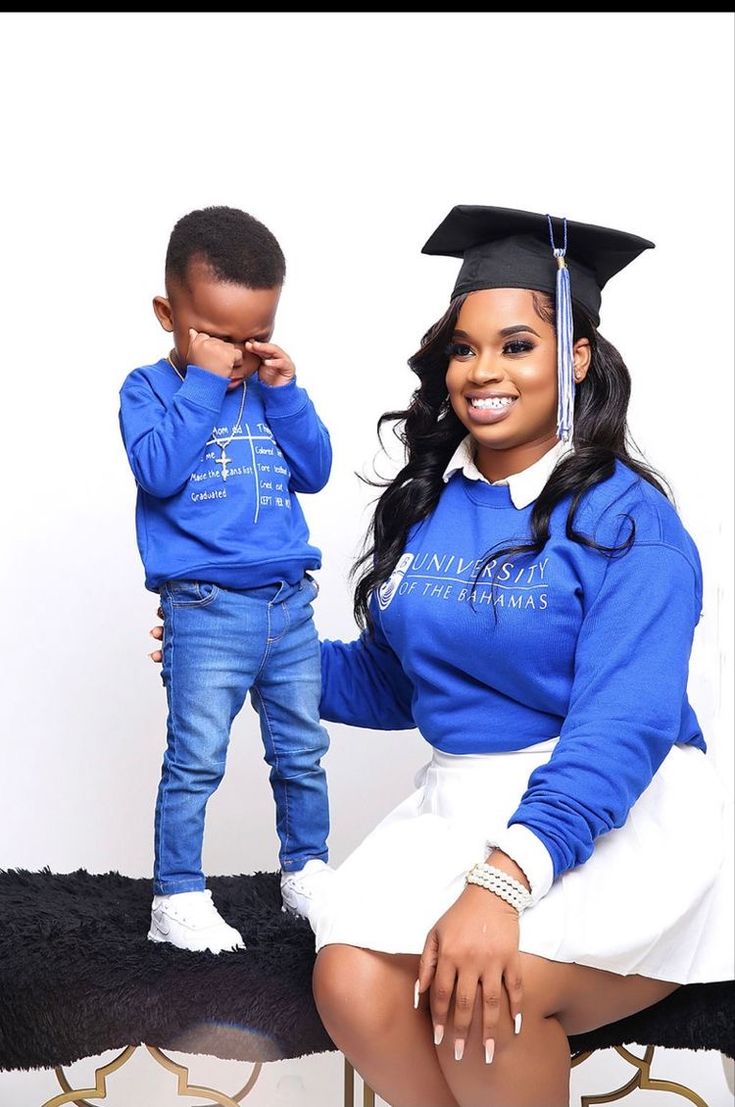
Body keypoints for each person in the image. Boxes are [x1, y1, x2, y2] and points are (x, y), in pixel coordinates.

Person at [147, 205, 733, 1104]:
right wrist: (247, 654)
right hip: (460, 799)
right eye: (463, 349)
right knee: (349, 978)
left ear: (574, 357)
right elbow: (395, 679)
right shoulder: (433, 501)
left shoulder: (629, 523)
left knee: (477, 998)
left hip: (606, 807)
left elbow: (625, 725)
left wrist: (500, 884)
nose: (483, 371)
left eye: (515, 345)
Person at [120, 205, 334, 955]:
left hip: (289, 603)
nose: (235, 353)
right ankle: (176, 893)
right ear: (167, 314)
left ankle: (306, 871)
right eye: (214, 333)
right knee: (197, 756)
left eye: (253, 335)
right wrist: (204, 382)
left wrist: (286, 390)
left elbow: (316, 469)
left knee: (301, 749)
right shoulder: (147, 390)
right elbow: (158, 468)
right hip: (205, 608)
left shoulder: (268, 390)